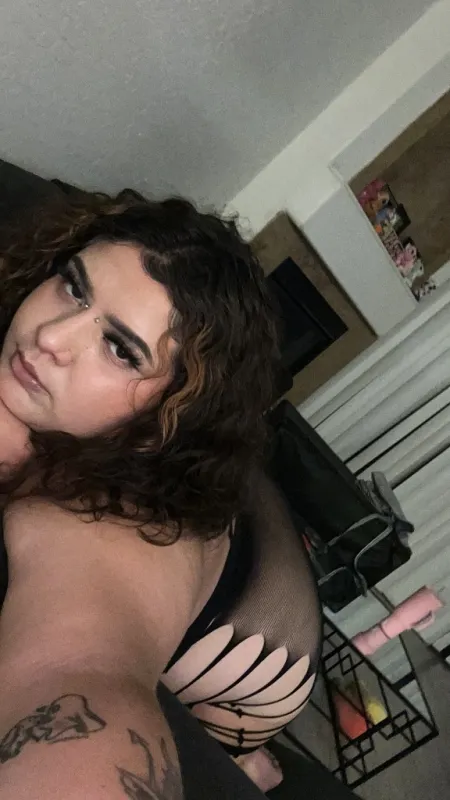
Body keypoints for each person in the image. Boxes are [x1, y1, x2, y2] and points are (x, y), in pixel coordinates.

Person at [0, 191, 321, 798]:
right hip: (237, 500)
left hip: (261, 665)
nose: (50, 338)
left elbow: (81, 672)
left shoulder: (113, 528)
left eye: (120, 349)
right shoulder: (79, 391)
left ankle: (247, 755)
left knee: (229, 738)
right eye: (73, 286)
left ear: (162, 421)